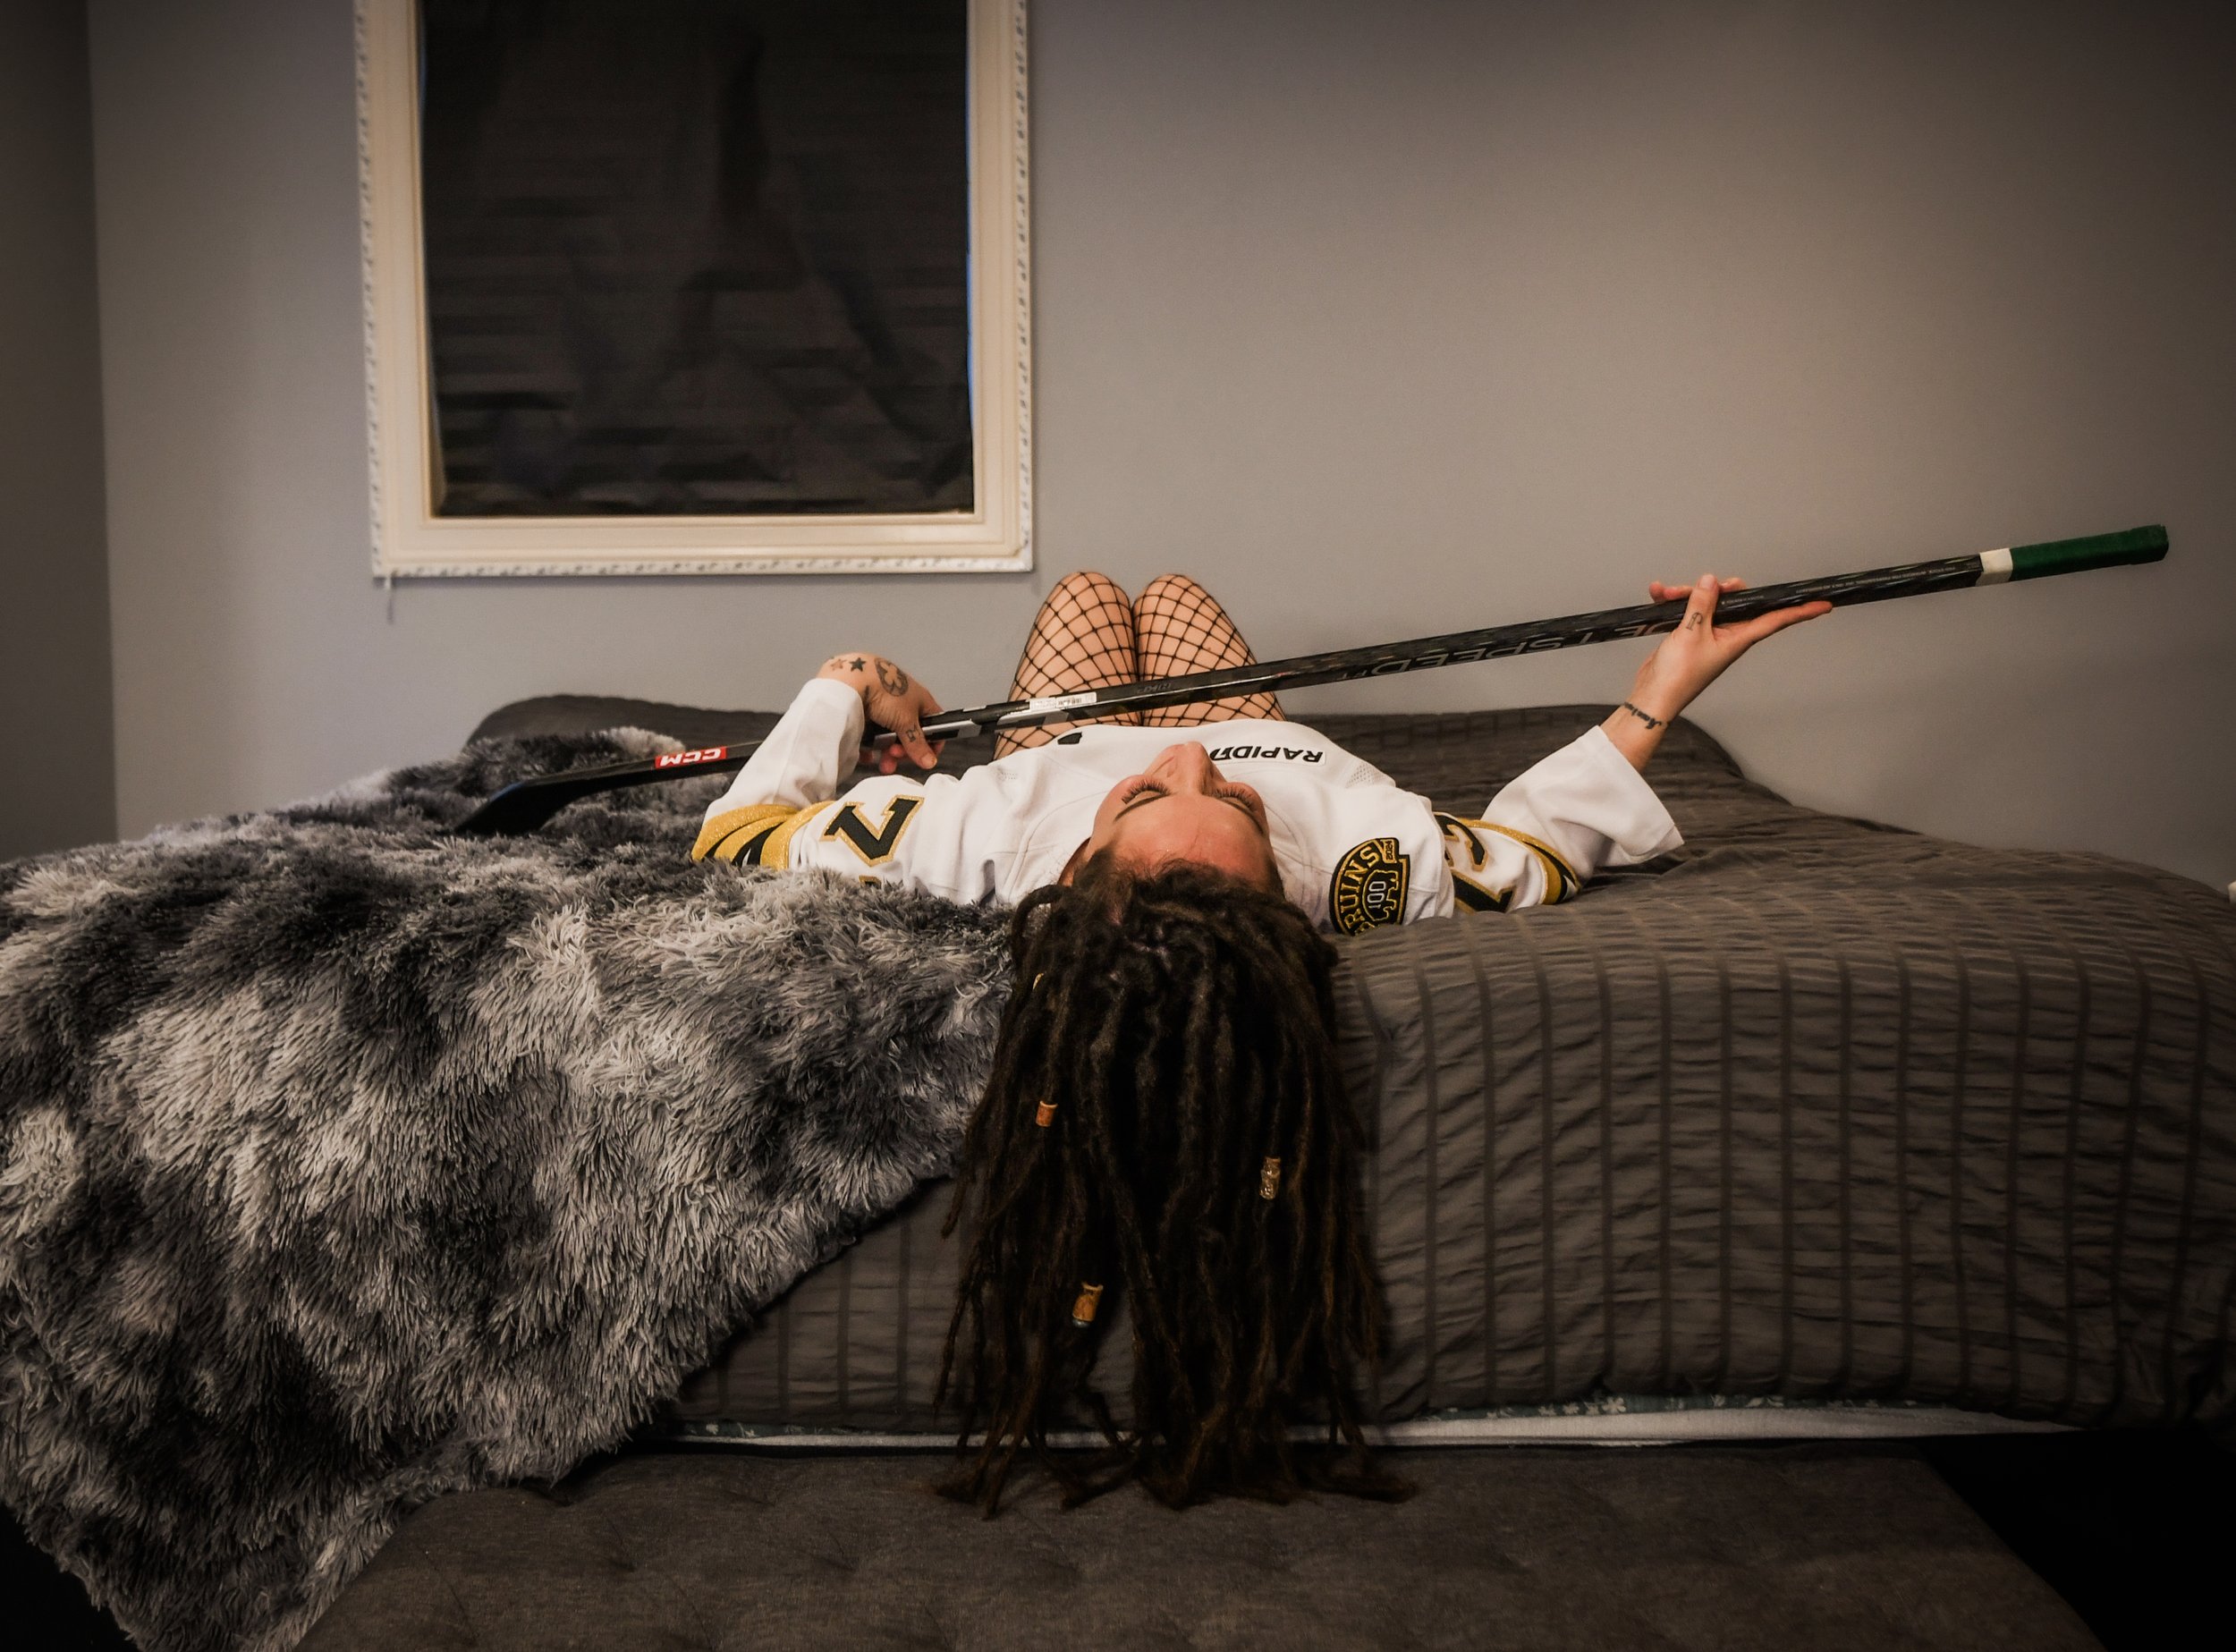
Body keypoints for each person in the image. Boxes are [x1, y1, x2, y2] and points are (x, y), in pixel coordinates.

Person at [693, 570, 1828, 1511]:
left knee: (1093, 592)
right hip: (1260, 731)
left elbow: (737, 837)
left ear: (1079, 866)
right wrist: (1661, 690)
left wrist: (849, 680)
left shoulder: (958, 840)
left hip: (1062, 744)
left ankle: (1111, 735)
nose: (1191, 764)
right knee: (1168, 593)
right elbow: (1530, 849)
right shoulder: (1372, 867)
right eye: (1224, 809)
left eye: (1182, 796)